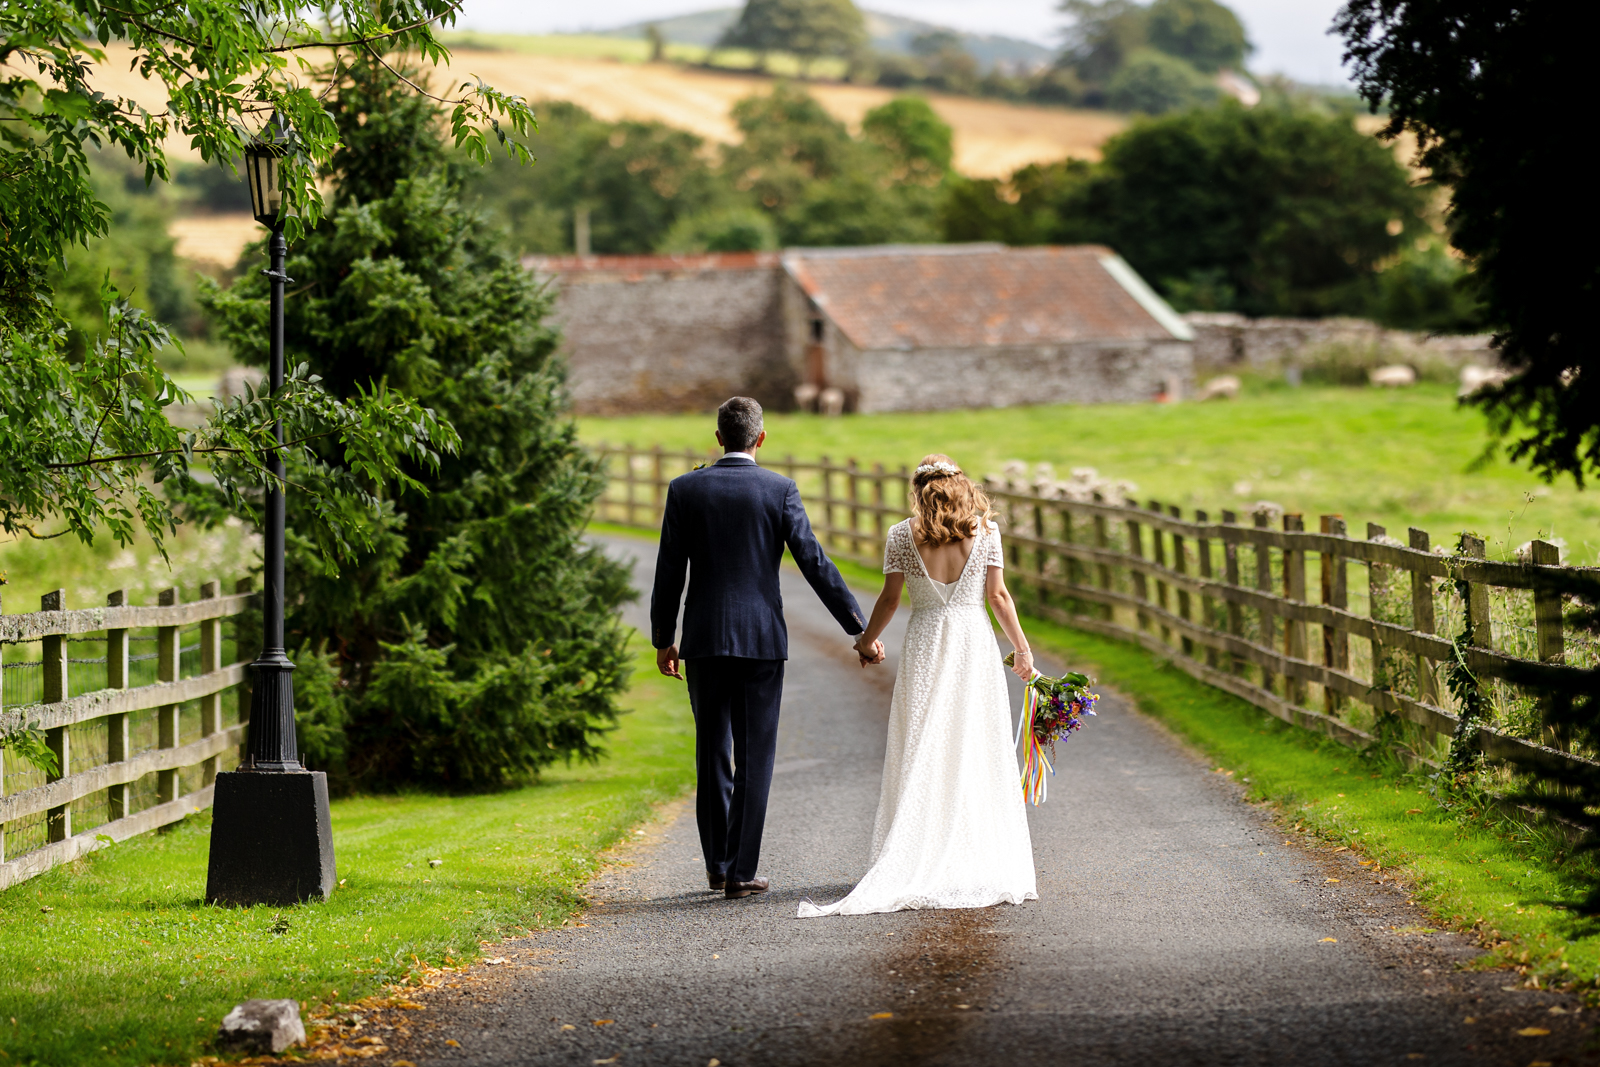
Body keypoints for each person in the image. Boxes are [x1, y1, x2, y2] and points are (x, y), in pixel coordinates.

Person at [651, 397, 874, 900]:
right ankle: (740, 872)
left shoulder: (685, 489)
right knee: (755, 756)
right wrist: (856, 627)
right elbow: (814, 562)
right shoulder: (779, 489)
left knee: (712, 751)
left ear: (718, 437)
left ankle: (716, 865)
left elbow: (669, 570)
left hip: (704, 640)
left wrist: (664, 639)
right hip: (761, 640)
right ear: (761, 438)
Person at [798, 453, 1038, 917]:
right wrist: (1023, 651)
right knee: (973, 742)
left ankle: (917, 849)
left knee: (925, 741)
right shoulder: (986, 532)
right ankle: (974, 852)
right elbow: (998, 597)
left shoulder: (900, 536)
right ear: (961, 487)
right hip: (972, 644)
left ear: (919, 491)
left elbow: (889, 599)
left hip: (928, 640)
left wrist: (866, 643)